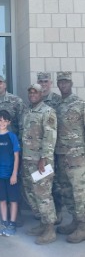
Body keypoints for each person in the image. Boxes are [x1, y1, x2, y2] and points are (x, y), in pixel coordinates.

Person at [22, 84, 57, 245]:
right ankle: (43, 223)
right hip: (27, 160)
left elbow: (50, 137)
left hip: (40, 162)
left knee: (43, 195)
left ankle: (50, 229)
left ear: (42, 93)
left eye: (35, 92)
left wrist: (44, 158)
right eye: (30, 92)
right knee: (31, 193)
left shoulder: (47, 111)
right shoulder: (28, 111)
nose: (32, 94)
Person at [55, 71, 85, 243]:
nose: (63, 85)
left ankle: (83, 226)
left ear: (71, 83)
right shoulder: (58, 105)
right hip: (61, 155)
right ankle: (74, 221)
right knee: (67, 191)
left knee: (80, 193)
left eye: (66, 81)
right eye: (60, 82)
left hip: (77, 156)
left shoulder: (80, 104)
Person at [0, 110, 20, 237]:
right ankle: (4, 223)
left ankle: (12, 224)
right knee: (1, 199)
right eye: (0, 120)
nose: (2, 123)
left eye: (5, 121)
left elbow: (16, 156)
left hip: (10, 174)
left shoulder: (12, 137)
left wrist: (14, 174)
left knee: (13, 200)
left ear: (9, 122)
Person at [37, 71, 63, 225]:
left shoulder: (58, 101)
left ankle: (57, 212)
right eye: (41, 82)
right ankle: (47, 217)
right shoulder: (36, 101)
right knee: (43, 183)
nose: (43, 84)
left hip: (57, 149)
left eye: (46, 81)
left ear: (51, 83)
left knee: (57, 184)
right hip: (42, 151)